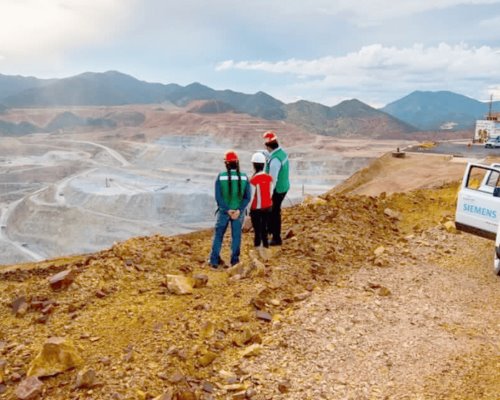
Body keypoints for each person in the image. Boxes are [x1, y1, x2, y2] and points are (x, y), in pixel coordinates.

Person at [208, 150, 251, 268]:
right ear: (237, 163)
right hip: (238, 213)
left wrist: (227, 210)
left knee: (219, 235)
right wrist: (238, 210)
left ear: (226, 163)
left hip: (223, 212)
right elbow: (247, 197)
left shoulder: (221, 177)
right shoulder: (244, 177)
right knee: (236, 236)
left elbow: (218, 197)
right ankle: (235, 261)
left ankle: (214, 261)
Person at [263, 131, 290, 246]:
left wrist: (267, 195)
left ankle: (276, 238)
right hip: (284, 186)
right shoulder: (281, 153)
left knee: (274, 212)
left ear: (268, 146)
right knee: (273, 211)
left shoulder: (274, 161)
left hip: (278, 189)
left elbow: (272, 180)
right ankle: (270, 229)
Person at [249, 152, 273, 258]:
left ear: (254, 165)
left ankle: (257, 251)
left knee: (257, 230)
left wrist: (248, 210)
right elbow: (270, 193)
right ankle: (266, 249)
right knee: (265, 228)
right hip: (268, 207)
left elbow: (251, 197)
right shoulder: (269, 178)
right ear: (264, 164)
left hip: (256, 209)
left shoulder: (253, 180)